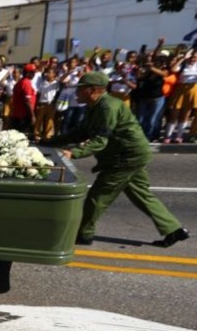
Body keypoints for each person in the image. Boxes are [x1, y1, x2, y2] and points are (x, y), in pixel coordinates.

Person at [47, 72, 190, 247]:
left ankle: (84, 234)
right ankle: (174, 230)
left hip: (126, 156)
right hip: (129, 154)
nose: (77, 93)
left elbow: (101, 139)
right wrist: (47, 143)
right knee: (141, 195)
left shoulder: (107, 107)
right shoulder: (95, 106)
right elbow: (81, 131)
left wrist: (73, 153)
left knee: (98, 196)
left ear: (93, 90)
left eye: (81, 89)